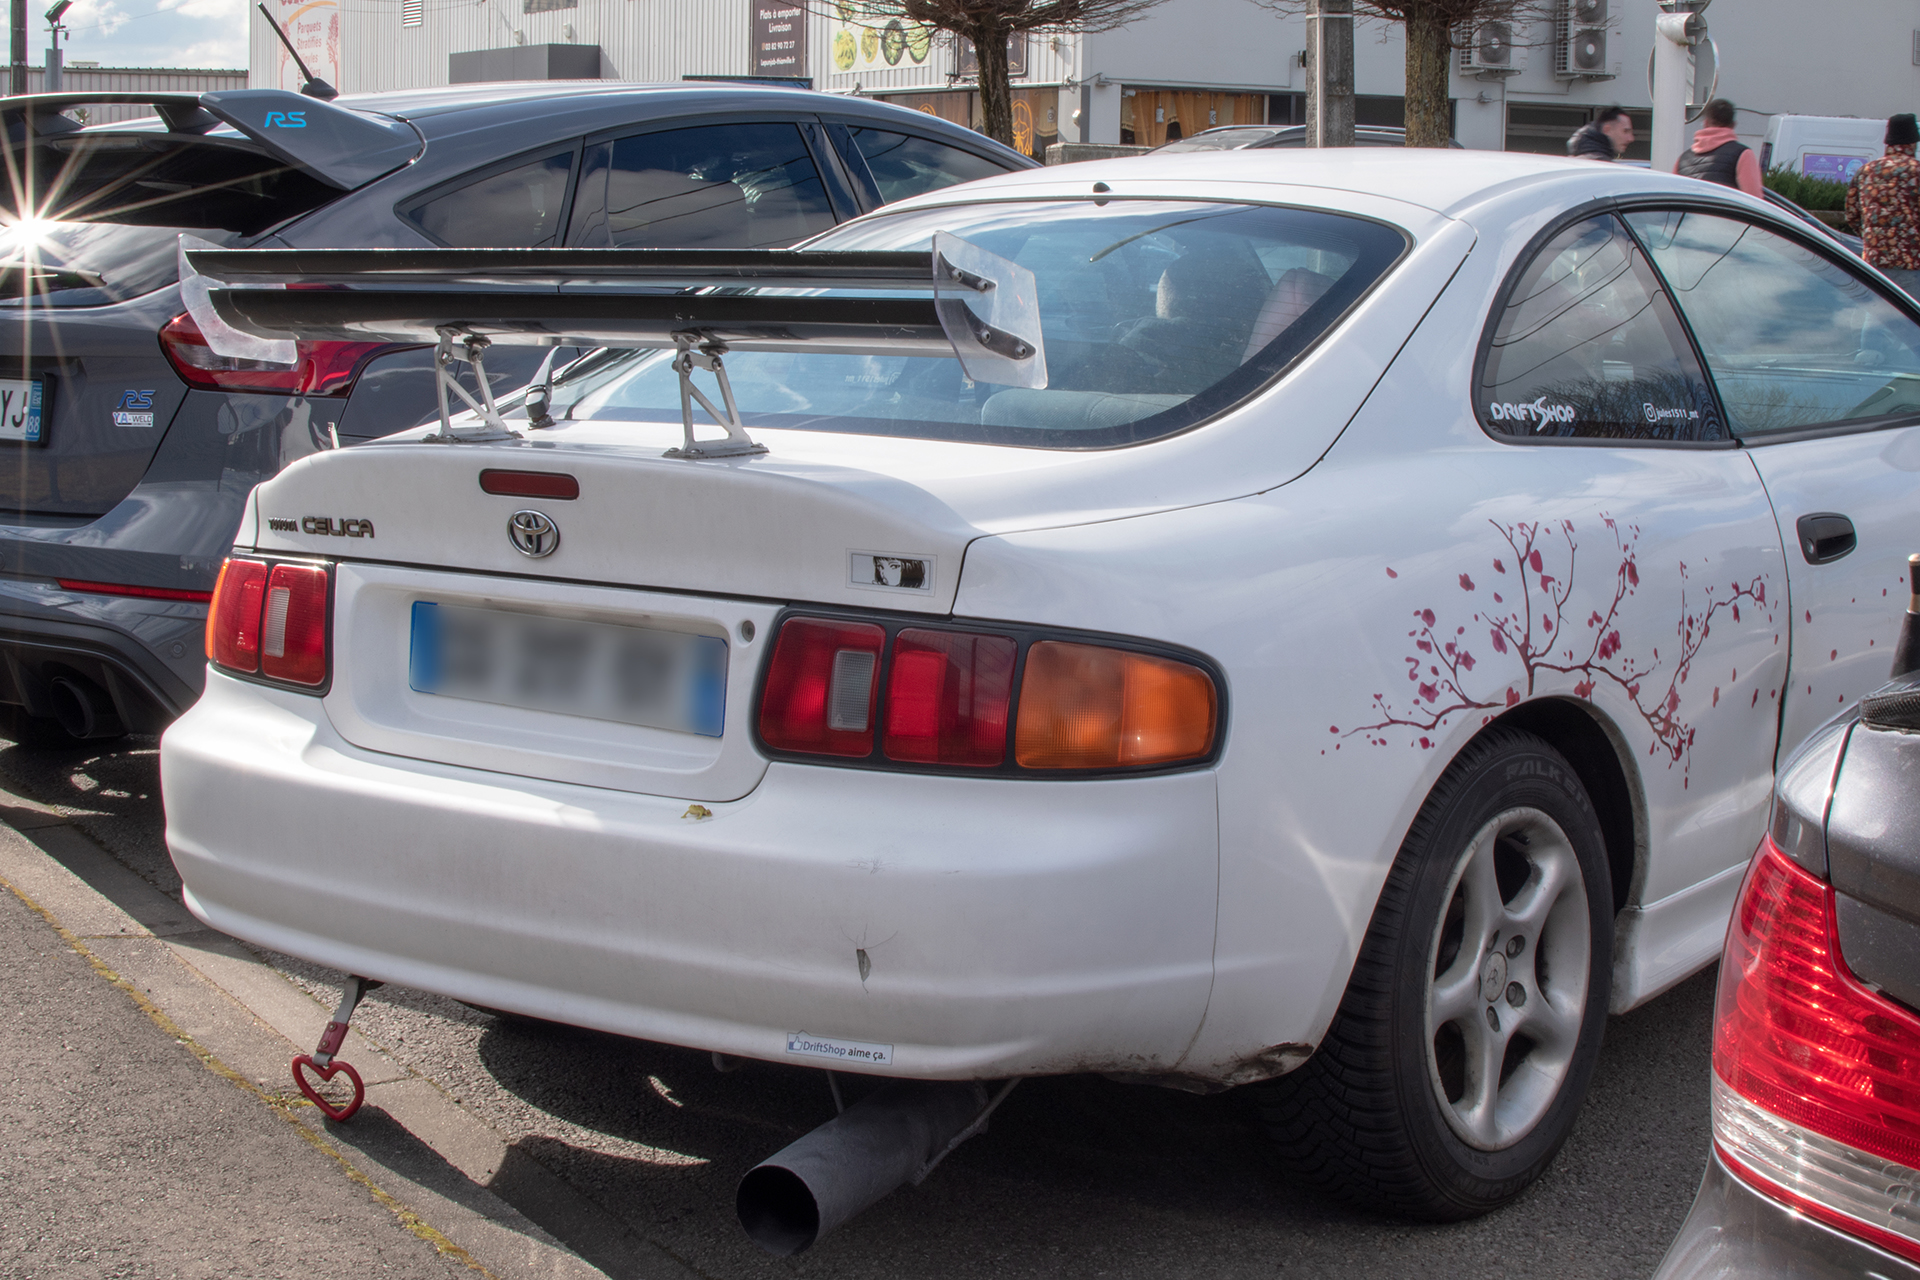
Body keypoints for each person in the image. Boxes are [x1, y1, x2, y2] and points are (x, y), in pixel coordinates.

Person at [1845, 113, 1920, 296]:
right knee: (1911, 312)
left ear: (1888, 142)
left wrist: (1873, 238)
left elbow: (1852, 214)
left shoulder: (1866, 171)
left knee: (1877, 310)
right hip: (1912, 263)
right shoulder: (1917, 170)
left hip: (1874, 263)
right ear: (1913, 143)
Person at [1674, 99, 1762, 195]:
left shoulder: (1682, 160)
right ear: (1733, 125)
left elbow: (1672, 195)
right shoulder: (1743, 155)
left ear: (1705, 123)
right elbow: (1754, 197)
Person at [1568, 107, 1633, 161]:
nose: (1631, 139)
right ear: (1607, 129)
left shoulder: (1580, 160)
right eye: (1625, 131)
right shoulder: (1601, 163)